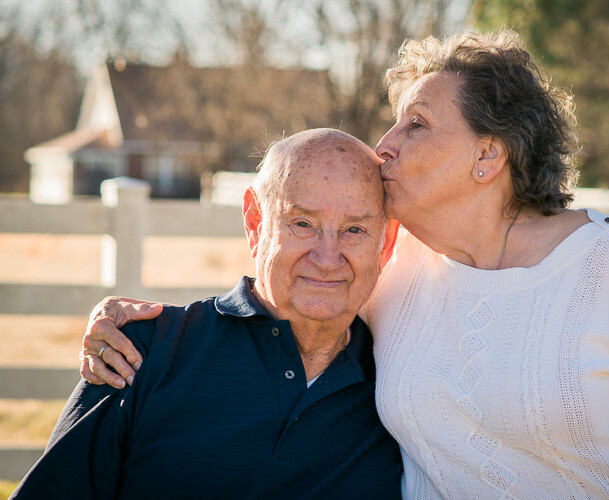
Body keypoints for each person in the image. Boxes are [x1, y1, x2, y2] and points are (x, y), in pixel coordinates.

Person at [79, 31, 609, 498]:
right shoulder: (395, 271)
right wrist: (125, 322)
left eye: (416, 124)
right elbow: (291, 280)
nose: (385, 145)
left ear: (489, 158)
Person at [11, 129, 403, 499]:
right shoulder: (138, 353)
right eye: (302, 223)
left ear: (384, 244)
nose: (327, 258)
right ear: (255, 224)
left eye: (354, 230)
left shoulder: (400, 390)